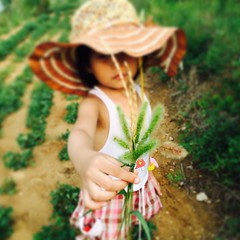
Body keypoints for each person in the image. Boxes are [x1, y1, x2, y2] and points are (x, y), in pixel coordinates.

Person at [28, 0, 186, 239]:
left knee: (133, 221)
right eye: (104, 55)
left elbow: (140, 137)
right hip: (110, 194)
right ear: (87, 64)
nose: (119, 63)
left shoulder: (138, 90)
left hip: (138, 179)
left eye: (126, 51)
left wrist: (147, 168)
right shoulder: (95, 103)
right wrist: (84, 159)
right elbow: (80, 133)